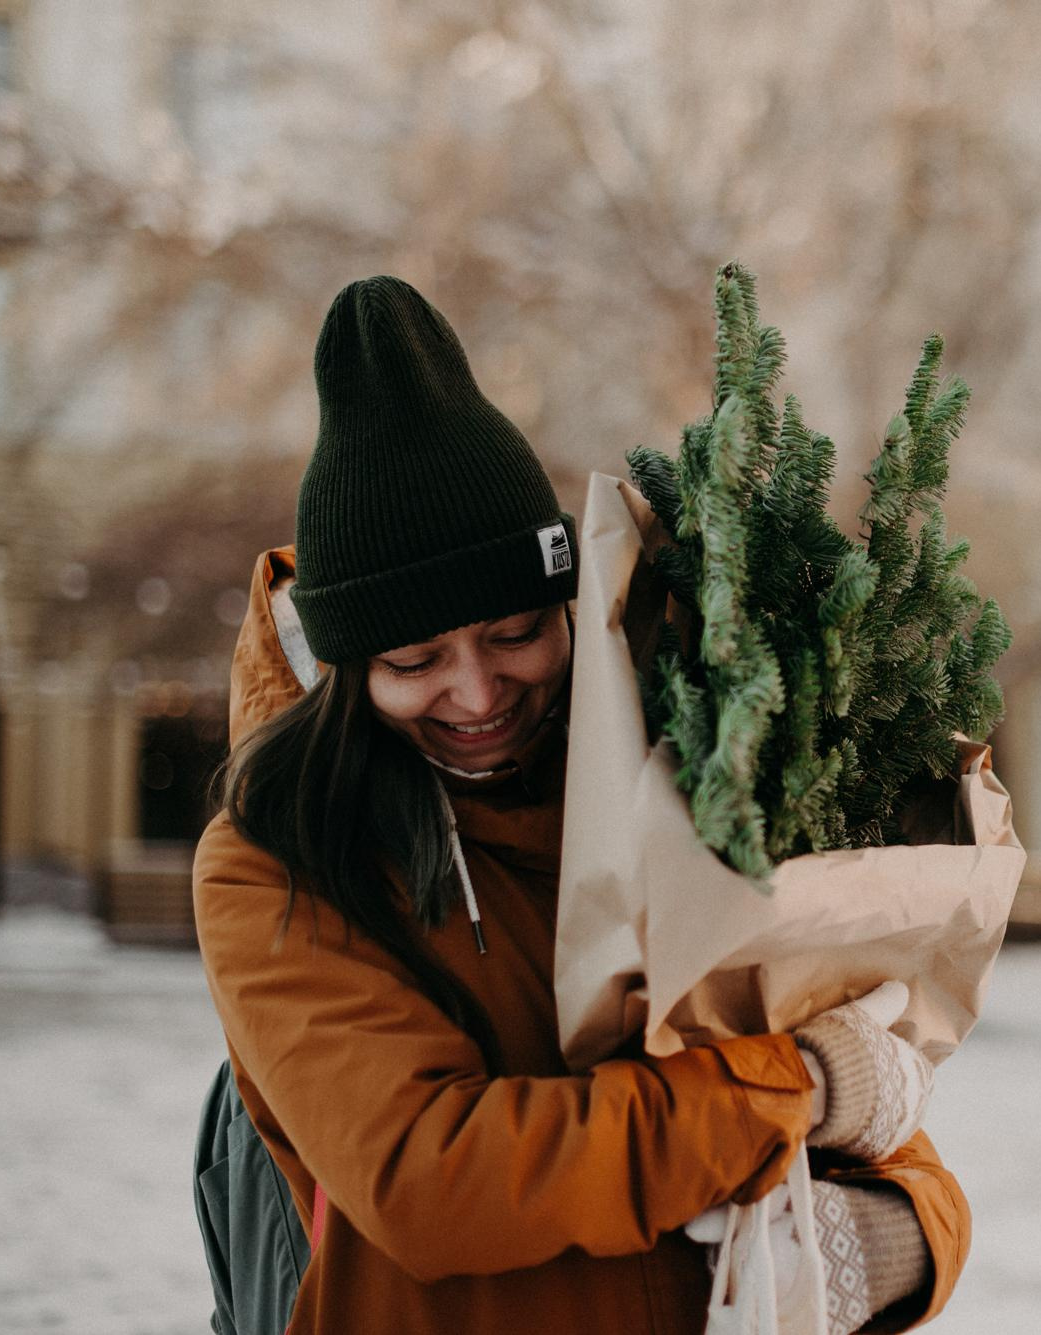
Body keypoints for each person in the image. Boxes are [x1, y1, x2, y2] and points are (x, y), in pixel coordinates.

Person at [192, 276, 967, 1335]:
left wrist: (896, 1237)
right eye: (415, 661)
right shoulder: (278, 859)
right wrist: (794, 1087)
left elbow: (878, 1121)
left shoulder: (687, 779)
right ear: (348, 672)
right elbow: (430, 1177)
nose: (476, 693)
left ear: (569, 610)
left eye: (514, 634)